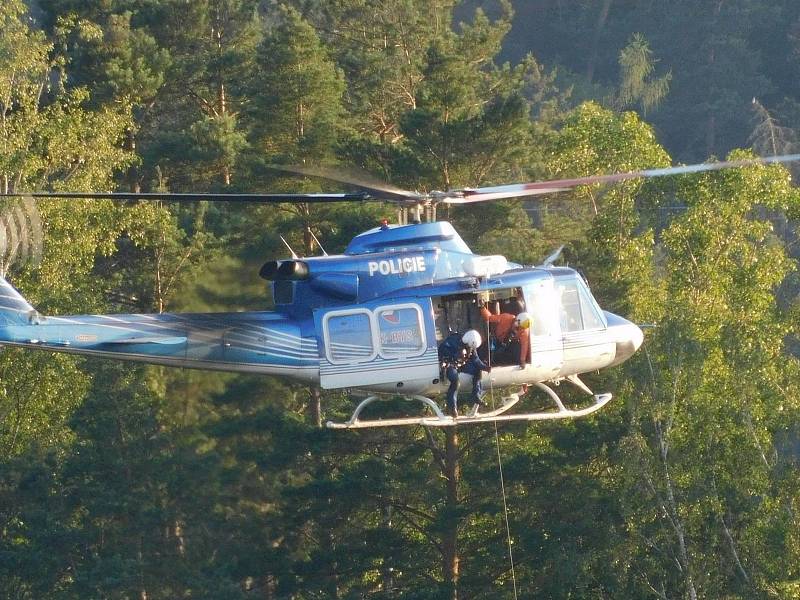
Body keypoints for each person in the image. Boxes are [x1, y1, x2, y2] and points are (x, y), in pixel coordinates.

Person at [480, 299, 531, 368]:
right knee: (486, 350)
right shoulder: (506, 317)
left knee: (515, 351)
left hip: (509, 345)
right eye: (519, 327)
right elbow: (489, 318)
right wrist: (482, 307)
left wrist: (522, 360)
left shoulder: (524, 331)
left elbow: (524, 345)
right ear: (517, 320)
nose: (519, 329)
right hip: (496, 340)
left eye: (521, 328)